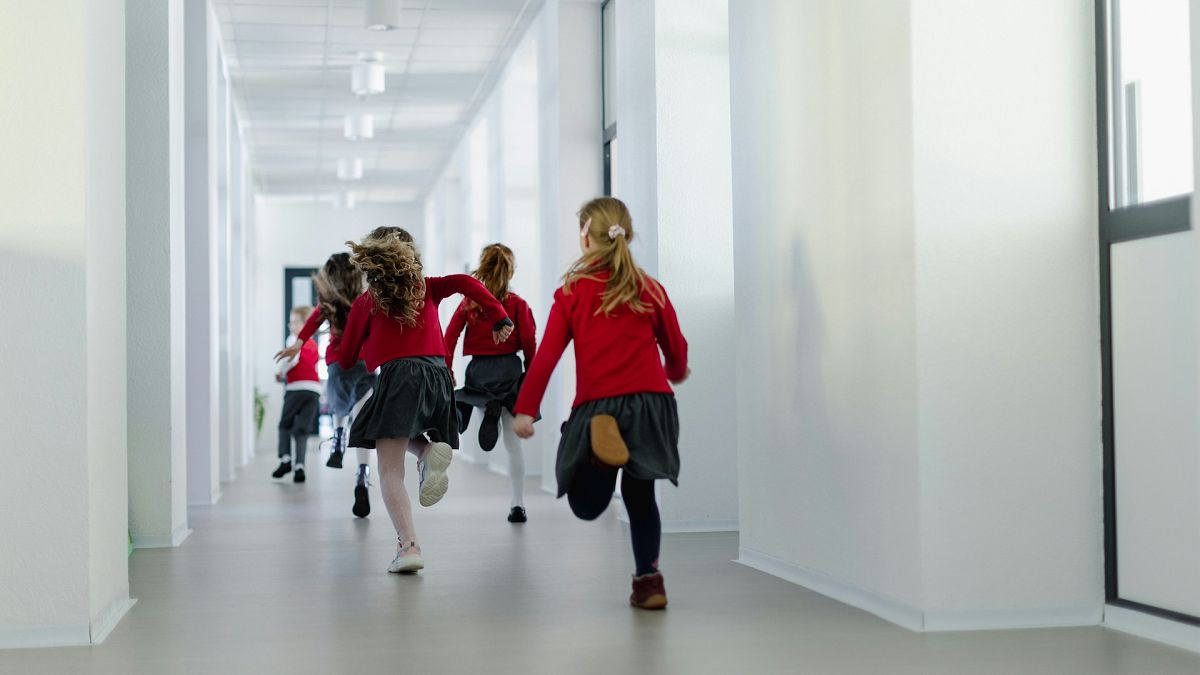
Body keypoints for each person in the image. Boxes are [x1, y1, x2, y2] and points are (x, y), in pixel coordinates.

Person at [513, 197, 690, 610]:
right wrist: (675, 373)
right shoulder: (650, 288)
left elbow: (547, 357)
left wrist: (526, 408)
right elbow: (676, 351)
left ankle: (599, 461)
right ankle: (649, 582)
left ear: (586, 237)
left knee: (587, 505)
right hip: (651, 404)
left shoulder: (572, 292)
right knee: (641, 496)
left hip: (600, 408)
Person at [339, 230, 514, 574]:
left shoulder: (367, 301)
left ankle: (409, 547)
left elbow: (345, 360)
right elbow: (466, 281)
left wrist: (368, 345)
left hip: (400, 377)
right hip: (437, 375)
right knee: (395, 429)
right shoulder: (428, 286)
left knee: (388, 469)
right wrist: (499, 316)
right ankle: (426, 452)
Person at [445, 244, 537, 524]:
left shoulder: (470, 303)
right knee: (513, 444)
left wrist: (448, 370)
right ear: (511, 271)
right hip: (509, 369)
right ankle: (517, 505)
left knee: (474, 395)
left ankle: (468, 405)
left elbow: (450, 335)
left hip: (479, 372)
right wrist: (531, 376)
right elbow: (530, 342)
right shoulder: (518, 304)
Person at [273, 306, 324, 484]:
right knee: (302, 430)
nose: (291, 326)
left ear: (305, 325)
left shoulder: (295, 340)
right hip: (314, 391)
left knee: (284, 425)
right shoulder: (314, 344)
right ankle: (300, 466)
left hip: (296, 389)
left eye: (294, 322)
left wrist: (280, 372)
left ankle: (286, 459)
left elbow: (292, 360)